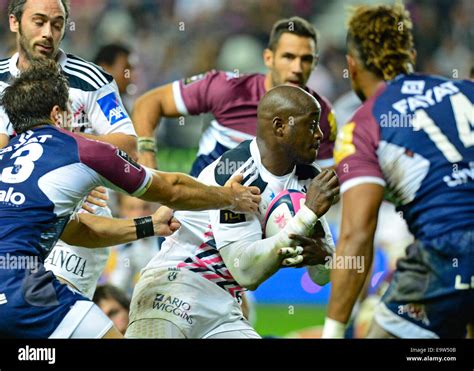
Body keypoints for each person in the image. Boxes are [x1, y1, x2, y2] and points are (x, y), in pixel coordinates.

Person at [0, 60, 261, 339]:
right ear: (57, 114)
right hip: (23, 289)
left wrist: (150, 225)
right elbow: (170, 188)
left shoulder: (5, 159)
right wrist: (228, 196)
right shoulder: (83, 149)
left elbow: (78, 231)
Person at [125, 85, 339, 339]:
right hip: (174, 287)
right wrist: (307, 215)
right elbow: (246, 271)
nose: (319, 134)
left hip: (224, 305)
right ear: (280, 127)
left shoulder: (309, 180)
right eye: (312, 124)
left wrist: (325, 258)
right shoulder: (235, 172)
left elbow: (321, 276)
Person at [322, 4, 474, 339]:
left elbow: (356, 237)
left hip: (446, 251)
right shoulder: (465, 90)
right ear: (411, 54)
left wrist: (332, 331)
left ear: (351, 64)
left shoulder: (363, 125)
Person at [133, 16, 337, 174]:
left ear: (316, 63)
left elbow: (327, 183)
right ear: (268, 58)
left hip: (270, 222)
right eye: (288, 57)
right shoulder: (229, 89)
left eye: (306, 59)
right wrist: (146, 152)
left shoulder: (322, 114)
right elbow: (149, 102)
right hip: (202, 216)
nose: (297, 68)